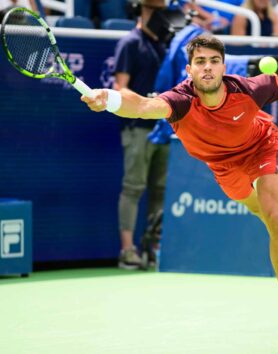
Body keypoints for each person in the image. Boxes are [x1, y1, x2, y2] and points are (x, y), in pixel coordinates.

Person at [81, 35, 278, 340]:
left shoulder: (246, 88)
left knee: (273, 213)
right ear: (188, 70)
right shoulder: (180, 101)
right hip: (223, 166)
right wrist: (110, 99)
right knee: (260, 210)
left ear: (223, 66)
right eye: (200, 62)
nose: (208, 68)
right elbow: (143, 106)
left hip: (262, 146)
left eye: (214, 61)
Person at [112, 0, 170, 269]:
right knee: (133, 188)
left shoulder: (166, 45)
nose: (162, 13)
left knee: (160, 191)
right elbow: (119, 87)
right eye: (156, 9)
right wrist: (142, 105)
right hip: (138, 129)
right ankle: (127, 250)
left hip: (164, 129)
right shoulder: (130, 43)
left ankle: (153, 248)